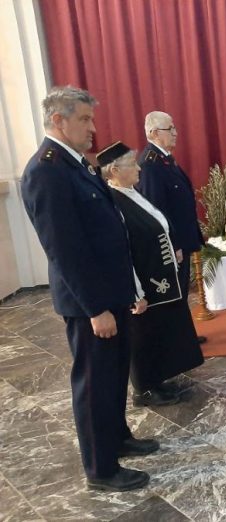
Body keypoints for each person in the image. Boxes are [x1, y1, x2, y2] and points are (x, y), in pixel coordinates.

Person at [20, 86, 158, 492]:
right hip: (90, 303)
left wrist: (123, 292)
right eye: (84, 119)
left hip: (111, 293)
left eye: (91, 119)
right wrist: (96, 308)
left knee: (114, 374)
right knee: (94, 383)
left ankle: (118, 437)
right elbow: (64, 249)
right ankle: (101, 468)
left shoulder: (75, 164)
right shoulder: (46, 171)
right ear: (58, 120)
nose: (93, 128)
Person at [98, 142, 204, 407]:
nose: (138, 168)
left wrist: (172, 246)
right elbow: (122, 252)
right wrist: (135, 292)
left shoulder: (132, 193)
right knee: (142, 335)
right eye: (131, 164)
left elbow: (157, 223)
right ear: (114, 171)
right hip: (143, 283)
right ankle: (144, 389)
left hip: (158, 278)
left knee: (157, 331)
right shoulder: (113, 203)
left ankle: (157, 379)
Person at [136, 111, 207, 344]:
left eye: (174, 128)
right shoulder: (150, 165)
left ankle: (184, 337)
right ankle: (178, 341)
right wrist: (172, 245)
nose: (176, 133)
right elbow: (156, 211)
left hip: (181, 240)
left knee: (182, 291)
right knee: (174, 293)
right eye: (170, 129)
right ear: (154, 133)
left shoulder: (164, 159)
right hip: (172, 245)